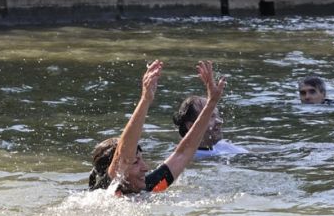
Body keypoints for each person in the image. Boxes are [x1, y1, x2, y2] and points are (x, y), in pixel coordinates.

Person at [89, 60, 226, 195]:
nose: (145, 168)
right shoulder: (106, 189)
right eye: (135, 162)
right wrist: (145, 99)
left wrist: (211, 103)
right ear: (113, 168)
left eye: (141, 160)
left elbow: (184, 153)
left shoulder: (149, 187)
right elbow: (123, 155)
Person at [172, 95, 247, 159]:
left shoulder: (221, 145)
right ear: (191, 126)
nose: (220, 121)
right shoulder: (187, 160)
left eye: (217, 115)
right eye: (211, 116)